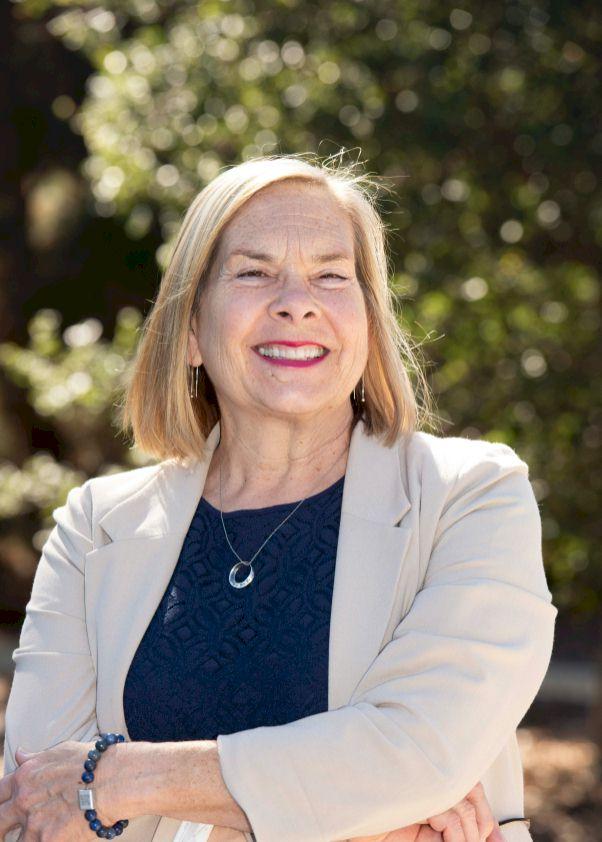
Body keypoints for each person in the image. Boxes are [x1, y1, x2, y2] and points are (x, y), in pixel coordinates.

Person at [0, 153, 556, 842]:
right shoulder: (95, 527)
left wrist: (116, 780)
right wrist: (358, 814)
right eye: (254, 272)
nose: (298, 300)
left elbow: (422, 752)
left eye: (331, 274)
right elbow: (36, 810)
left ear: (368, 321)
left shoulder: (472, 499)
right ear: (193, 330)